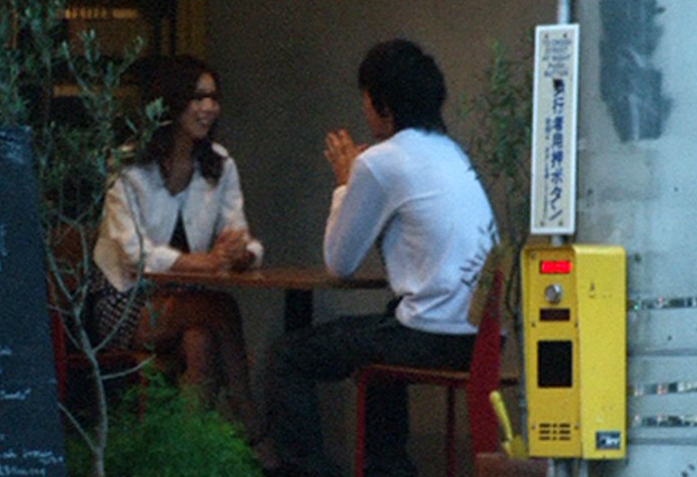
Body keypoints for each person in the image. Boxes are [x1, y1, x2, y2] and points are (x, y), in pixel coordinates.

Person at [264, 39, 497, 477]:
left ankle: (309, 472)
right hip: (480, 336)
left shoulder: (381, 162)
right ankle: (387, 467)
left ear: (383, 106)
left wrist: (345, 181)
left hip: (431, 337)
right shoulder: (450, 151)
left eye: (367, 99)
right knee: (386, 326)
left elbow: (339, 263)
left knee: (288, 356)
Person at [91, 54, 266, 446]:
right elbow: (133, 253)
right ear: (170, 102)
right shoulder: (128, 164)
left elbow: (241, 235)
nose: (209, 108)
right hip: (126, 299)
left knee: (200, 340)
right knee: (221, 308)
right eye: (197, 98)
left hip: (188, 301)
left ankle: (185, 450)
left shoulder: (220, 164)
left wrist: (242, 253)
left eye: (214, 98)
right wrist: (199, 263)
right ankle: (249, 418)